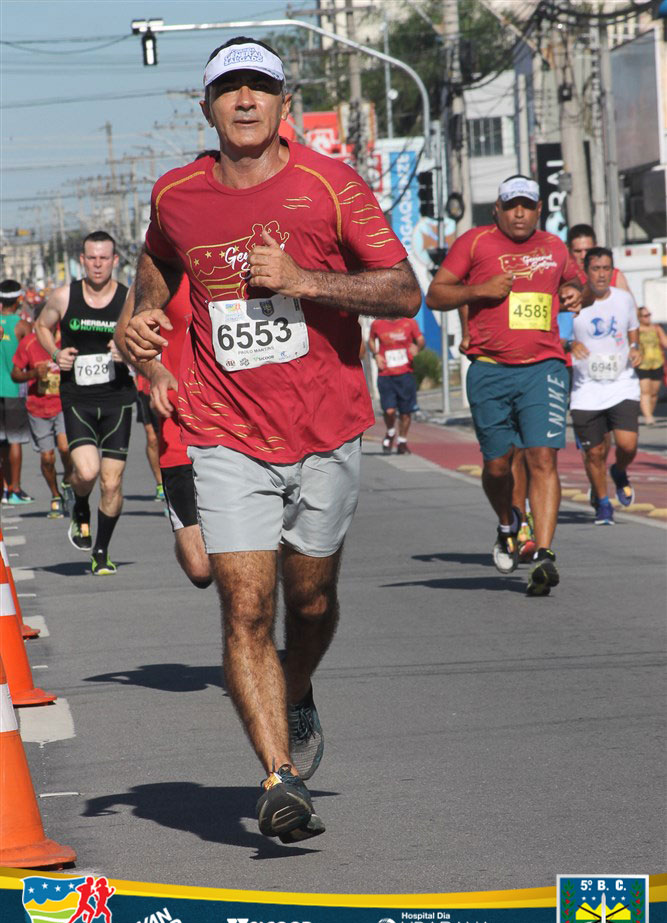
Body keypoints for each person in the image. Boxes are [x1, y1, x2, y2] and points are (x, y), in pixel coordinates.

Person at [122, 36, 420, 843]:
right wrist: (137, 323)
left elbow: (403, 290)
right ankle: (280, 779)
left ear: (285, 103)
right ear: (208, 108)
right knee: (245, 605)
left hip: (324, 428)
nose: (245, 101)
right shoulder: (176, 193)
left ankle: (297, 687)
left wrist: (302, 280)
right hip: (223, 431)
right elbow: (157, 265)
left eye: (260, 88)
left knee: (309, 602)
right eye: (230, 90)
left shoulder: (330, 184)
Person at [426, 174, 583, 596]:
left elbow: (576, 282)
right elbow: (435, 295)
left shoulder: (554, 247)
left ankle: (544, 553)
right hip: (490, 369)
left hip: (544, 367)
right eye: (511, 205)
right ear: (497, 209)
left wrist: (573, 292)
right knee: (497, 465)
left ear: (538, 210)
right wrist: (480, 289)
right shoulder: (475, 243)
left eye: (527, 206)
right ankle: (507, 522)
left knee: (542, 457)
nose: (519, 213)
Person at [35, 232, 133, 575]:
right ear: (82, 260)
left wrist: (127, 352)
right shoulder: (65, 296)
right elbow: (41, 326)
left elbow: (150, 338)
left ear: (115, 260)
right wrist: (55, 353)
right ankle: (79, 504)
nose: (98, 265)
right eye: (92, 258)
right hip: (78, 397)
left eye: (104, 258)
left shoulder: (128, 298)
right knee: (88, 472)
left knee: (111, 482)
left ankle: (101, 551)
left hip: (118, 397)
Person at [115, 277, 212, 588]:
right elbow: (124, 333)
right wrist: (155, 371)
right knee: (200, 569)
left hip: (249, 431)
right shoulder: (163, 268)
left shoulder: (248, 259)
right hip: (181, 426)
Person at [569, 247, 641, 525]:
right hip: (586, 388)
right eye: (596, 269)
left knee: (628, 444)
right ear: (585, 271)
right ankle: (602, 503)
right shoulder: (573, 302)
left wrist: (634, 347)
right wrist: (570, 344)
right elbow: (556, 333)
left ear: (612, 271)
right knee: (595, 452)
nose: (601, 274)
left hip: (621, 383)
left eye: (606, 269)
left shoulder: (623, 299)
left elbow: (633, 327)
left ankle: (619, 470)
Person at [11, 316, 73, 517]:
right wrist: (33, 374)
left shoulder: (66, 340)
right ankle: (55, 495)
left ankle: (67, 481)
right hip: (38, 408)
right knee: (47, 458)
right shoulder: (28, 343)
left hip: (63, 404)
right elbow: (15, 374)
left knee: (65, 448)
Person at [369, 315, 424, 454]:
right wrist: (376, 354)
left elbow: (420, 339)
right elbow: (371, 341)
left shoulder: (409, 323)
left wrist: (418, 348)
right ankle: (391, 431)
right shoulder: (377, 324)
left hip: (405, 374)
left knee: (406, 412)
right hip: (385, 374)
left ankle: (402, 441)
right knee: (389, 411)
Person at [0, 279, 34, 505]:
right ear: (19, 299)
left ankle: (3, 489)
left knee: (1, 441)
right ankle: (15, 489)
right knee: (15, 441)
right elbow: (31, 358)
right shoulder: (22, 326)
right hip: (14, 389)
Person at [567, 223, 632, 293]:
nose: (583, 256)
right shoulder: (565, 277)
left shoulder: (614, 275)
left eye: (588, 250)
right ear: (569, 250)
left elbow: (626, 299)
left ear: (595, 247)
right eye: (577, 251)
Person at [135, 370, 164, 501]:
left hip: (168, 381)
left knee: (167, 435)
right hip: (144, 385)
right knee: (152, 437)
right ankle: (160, 483)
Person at [636, 306, 667, 425]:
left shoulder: (656, 328)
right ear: (639, 317)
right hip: (642, 364)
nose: (648, 317)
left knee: (654, 393)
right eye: (645, 315)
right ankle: (648, 416)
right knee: (645, 391)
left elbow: (664, 342)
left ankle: (649, 412)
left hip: (657, 363)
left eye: (649, 314)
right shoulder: (636, 330)